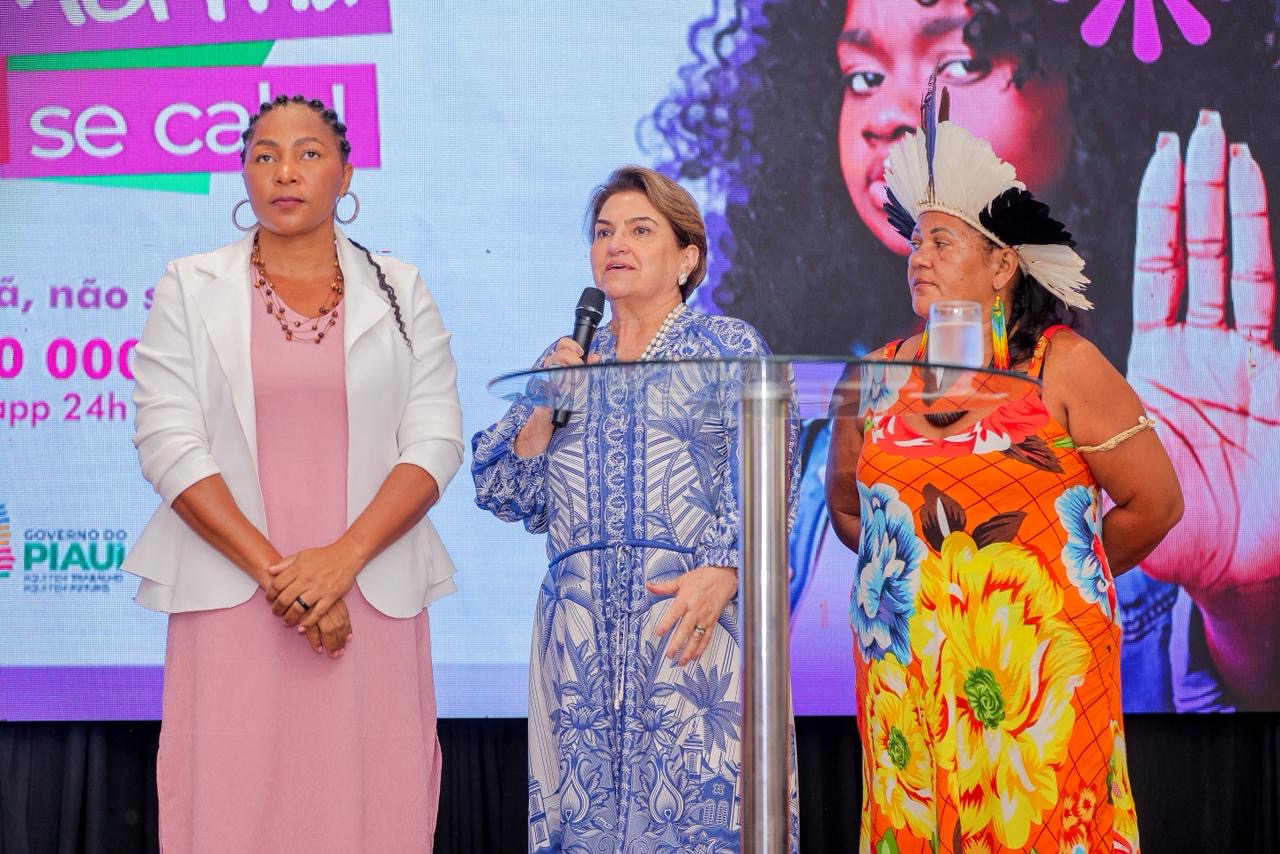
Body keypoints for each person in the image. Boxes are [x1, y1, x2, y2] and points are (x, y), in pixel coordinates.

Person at [648, 0, 1280, 712]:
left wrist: (1242, 599)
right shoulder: (846, 393)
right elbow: (850, 521)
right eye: (862, 77)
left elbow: (1222, 683)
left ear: (1087, 82)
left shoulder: (1102, 380)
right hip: (907, 753)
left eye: (961, 61)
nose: (892, 114)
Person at [824, 90, 1183, 852]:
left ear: (1002, 264)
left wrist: (1058, 573)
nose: (919, 257)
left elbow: (1155, 503)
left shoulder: (1065, 366)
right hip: (908, 696)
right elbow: (851, 513)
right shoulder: (871, 378)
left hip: (1037, 694)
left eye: (942, 241)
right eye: (915, 242)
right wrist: (920, 575)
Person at [123, 95, 463, 853]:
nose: (285, 171)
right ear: (243, 174)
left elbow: (435, 440)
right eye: (264, 155)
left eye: (309, 153)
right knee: (232, 807)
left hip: (370, 588)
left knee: (371, 809)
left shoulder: (401, 288)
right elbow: (167, 441)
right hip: (234, 591)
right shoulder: (191, 284)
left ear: (346, 173)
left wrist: (340, 562)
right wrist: (289, 580)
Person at [472, 166, 800, 853]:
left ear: (687, 257)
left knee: (700, 819)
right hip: (579, 642)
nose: (615, 244)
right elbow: (503, 489)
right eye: (603, 232)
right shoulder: (568, 359)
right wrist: (544, 406)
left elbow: (773, 470)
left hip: (689, 621)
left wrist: (727, 570)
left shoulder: (727, 348)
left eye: (640, 230)